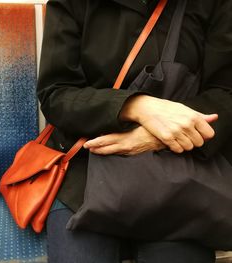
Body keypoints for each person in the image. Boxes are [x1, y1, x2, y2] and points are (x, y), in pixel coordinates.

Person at [37, 0, 232, 262]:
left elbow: (225, 93)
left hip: (181, 171)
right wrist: (137, 107)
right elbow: (56, 93)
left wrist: (156, 136)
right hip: (86, 165)